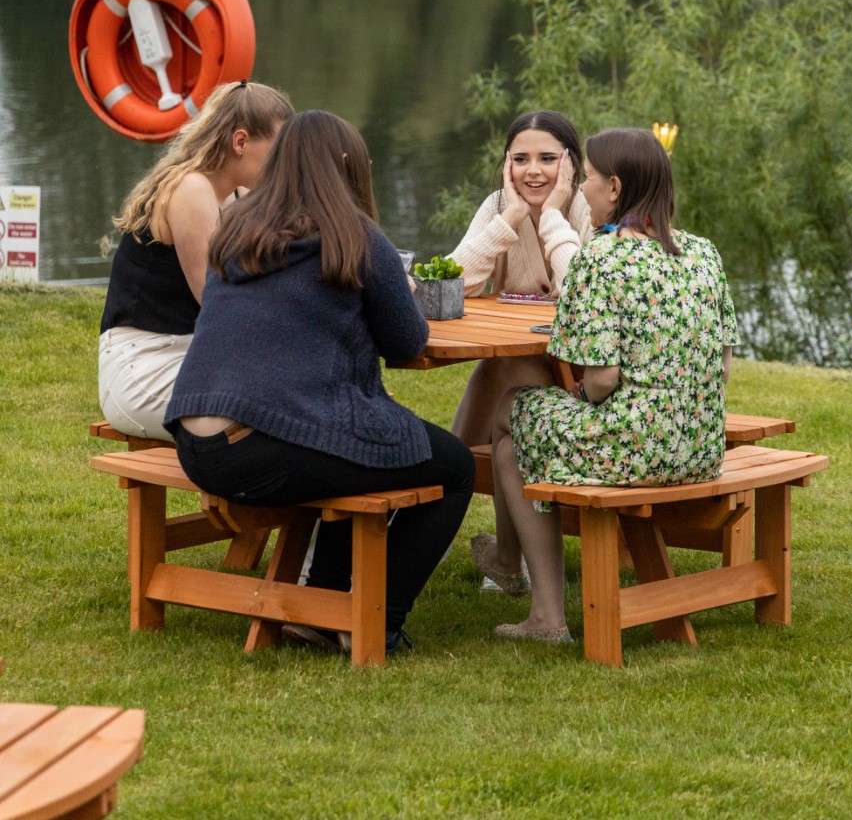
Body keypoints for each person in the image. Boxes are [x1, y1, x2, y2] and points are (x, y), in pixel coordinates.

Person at [163, 110, 475, 654]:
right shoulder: (358, 237)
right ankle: (378, 619)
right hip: (259, 444)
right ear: (350, 168)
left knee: (347, 438)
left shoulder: (235, 229)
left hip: (196, 441)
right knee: (456, 467)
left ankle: (322, 602)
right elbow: (407, 342)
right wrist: (398, 286)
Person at [472, 127, 740, 643]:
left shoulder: (603, 256)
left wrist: (576, 400)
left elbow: (600, 382)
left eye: (587, 179)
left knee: (512, 407)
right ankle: (525, 588)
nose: (581, 190)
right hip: (700, 446)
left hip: (634, 449)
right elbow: (722, 368)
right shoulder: (703, 253)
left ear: (614, 187)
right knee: (511, 449)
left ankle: (545, 614)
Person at [98, 80, 294, 441]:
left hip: (196, 355)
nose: (284, 163)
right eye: (278, 150)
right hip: (144, 366)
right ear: (240, 142)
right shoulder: (191, 189)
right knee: (283, 411)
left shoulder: (238, 194)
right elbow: (219, 302)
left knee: (304, 398)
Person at [448, 110, 593, 447]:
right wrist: (509, 219)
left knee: (502, 372)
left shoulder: (588, 208)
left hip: (586, 370)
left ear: (570, 164)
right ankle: (455, 469)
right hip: (522, 357)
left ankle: (451, 472)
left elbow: (583, 293)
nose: (533, 171)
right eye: (521, 159)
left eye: (547, 159)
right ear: (506, 165)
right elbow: (448, 283)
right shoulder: (499, 206)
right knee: (505, 370)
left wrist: (553, 215)